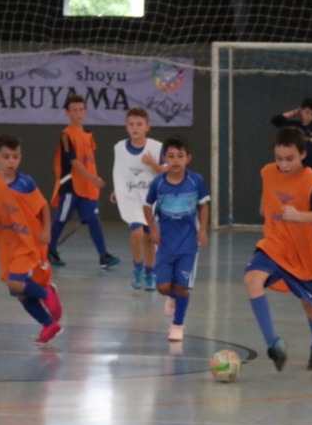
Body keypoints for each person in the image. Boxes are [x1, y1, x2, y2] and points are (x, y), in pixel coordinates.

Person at [243, 126, 312, 371]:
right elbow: (265, 204)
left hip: (304, 254)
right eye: (278, 158)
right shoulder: (267, 173)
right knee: (252, 280)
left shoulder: (311, 179)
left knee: (311, 308)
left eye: (289, 159)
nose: (283, 164)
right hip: (274, 245)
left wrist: (297, 216)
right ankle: (274, 344)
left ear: (302, 154)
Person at [0, 134, 65, 345]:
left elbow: (42, 206)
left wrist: (47, 230)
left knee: (16, 283)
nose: (11, 161)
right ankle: (49, 324)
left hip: (28, 243)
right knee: (21, 295)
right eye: (6, 157)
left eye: (15, 157)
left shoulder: (25, 183)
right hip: (7, 245)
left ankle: (46, 292)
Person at [142, 136, 209, 342]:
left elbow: (204, 205)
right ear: (164, 159)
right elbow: (147, 206)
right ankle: (172, 297)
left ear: (188, 158)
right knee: (163, 287)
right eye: (170, 156)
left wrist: (202, 230)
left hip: (188, 243)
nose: (176, 160)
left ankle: (177, 325)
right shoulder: (158, 183)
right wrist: (153, 230)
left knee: (182, 287)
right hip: (165, 243)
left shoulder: (195, 181)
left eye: (180, 156)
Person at [47, 92, 119, 270]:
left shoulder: (88, 134)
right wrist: (93, 178)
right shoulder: (66, 135)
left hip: (87, 188)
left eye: (81, 109)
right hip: (71, 185)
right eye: (74, 110)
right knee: (61, 218)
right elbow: (73, 161)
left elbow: (88, 159)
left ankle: (104, 256)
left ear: (85, 111)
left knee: (93, 219)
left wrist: (92, 180)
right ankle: (49, 249)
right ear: (67, 113)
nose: (78, 113)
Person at [110, 106, 165, 291]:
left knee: (150, 239)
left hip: (150, 199)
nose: (135, 127)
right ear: (127, 127)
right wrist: (118, 190)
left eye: (139, 124)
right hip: (132, 197)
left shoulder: (156, 147)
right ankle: (137, 269)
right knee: (136, 232)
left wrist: (152, 164)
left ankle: (150, 273)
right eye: (131, 124)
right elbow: (121, 172)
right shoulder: (119, 147)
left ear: (147, 127)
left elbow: (167, 172)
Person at [271, 97, 312, 181]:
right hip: (297, 171)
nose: (309, 116)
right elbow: (276, 120)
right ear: (301, 111)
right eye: (307, 112)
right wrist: (294, 113)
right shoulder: (294, 126)